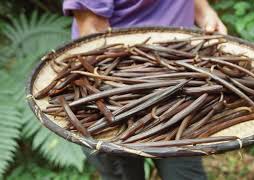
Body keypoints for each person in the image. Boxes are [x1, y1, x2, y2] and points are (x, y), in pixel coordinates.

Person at [63, 1, 227, 180]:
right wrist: (143, 84)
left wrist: (203, 12)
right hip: (115, 103)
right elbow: (92, 32)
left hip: (188, 93)